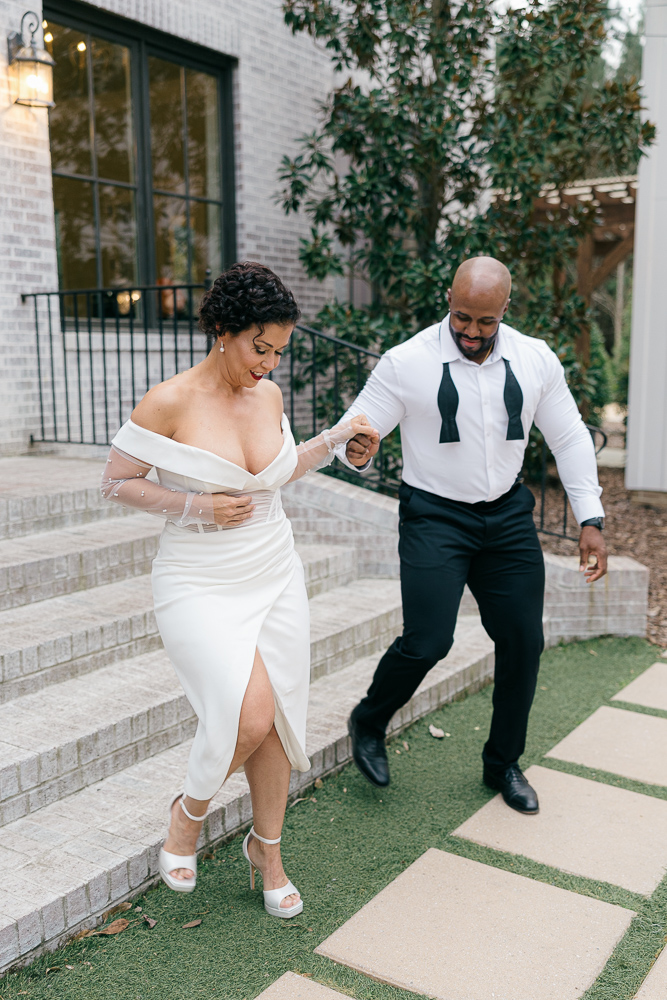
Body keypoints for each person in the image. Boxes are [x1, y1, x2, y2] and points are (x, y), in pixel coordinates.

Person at [101, 261, 377, 917]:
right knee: (246, 716)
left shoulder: (270, 397)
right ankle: (186, 817)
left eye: (279, 351)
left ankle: (267, 850)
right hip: (198, 578)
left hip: (274, 568)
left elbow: (273, 476)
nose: (269, 364)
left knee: (276, 721)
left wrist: (336, 440)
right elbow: (115, 481)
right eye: (261, 347)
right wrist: (194, 508)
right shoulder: (168, 400)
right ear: (223, 330)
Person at [340, 256, 607, 814]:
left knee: (522, 643)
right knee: (429, 640)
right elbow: (357, 430)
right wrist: (356, 450)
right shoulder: (406, 362)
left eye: (485, 321)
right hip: (435, 514)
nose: (471, 331)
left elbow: (571, 438)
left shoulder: (535, 359)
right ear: (448, 299)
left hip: (507, 517)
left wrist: (590, 519)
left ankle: (503, 763)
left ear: (505, 310)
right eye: (462, 317)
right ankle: (369, 719)